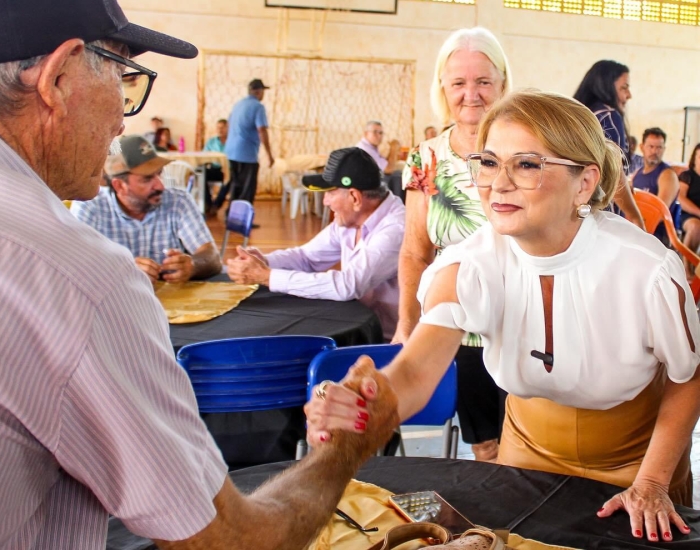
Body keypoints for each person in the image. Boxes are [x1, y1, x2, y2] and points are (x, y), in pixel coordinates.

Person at [0, 2, 402, 548]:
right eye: (122, 76)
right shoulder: (73, 276)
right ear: (59, 76)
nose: (122, 120)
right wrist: (343, 450)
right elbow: (228, 543)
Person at [306, 90, 700, 544]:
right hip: (524, 457)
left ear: (585, 183)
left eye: (527, 164)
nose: (498, 183)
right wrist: (371, 402)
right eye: (489, 163)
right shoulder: (472, 262)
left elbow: (687, 377)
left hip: (635, 464)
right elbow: (416, 368)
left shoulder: (645, 269)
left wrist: (651, 483)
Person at [395, 27, 512, 462]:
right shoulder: (425, 158)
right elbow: (414, 250)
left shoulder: (532, 147)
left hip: (530, 324)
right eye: (459, 82)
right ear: (442, 87)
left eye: (483, 81)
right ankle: (498, 529)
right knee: (486, 444)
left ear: (502, 83)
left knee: (534, 445)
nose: (472, 94)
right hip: (460, 327)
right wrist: (407, 322)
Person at [227, 147, 405, 340]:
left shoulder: (396, 228)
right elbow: (307, 258)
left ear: (354, 197)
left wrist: (266, 276)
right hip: (357, 325)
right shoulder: (351, 219)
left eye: (330, 193)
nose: (325, 201)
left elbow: (349, 285)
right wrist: (265, 262)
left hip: (389, 343)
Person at [71, 134, 222, 283]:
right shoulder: (90, 206)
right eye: (147, 179)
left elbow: (213, 258)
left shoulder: (178, 201)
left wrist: (194, 265)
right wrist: (122, 270)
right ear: (119, 186)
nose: (161, 185)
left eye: (159, 174)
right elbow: (72, 265)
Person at [573, 60, 645, 229]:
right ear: (606, 87)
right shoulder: (609, 117)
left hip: (577, 211)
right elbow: (614, 173)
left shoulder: (580, 116)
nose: (629, 95)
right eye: (624, 87)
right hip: (601, 214)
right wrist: (635, 216)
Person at [225, 78, 274, 218]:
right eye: (263, 91)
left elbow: (229, 124)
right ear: (258, 92)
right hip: (247, 154)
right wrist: (269, 155)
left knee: (236, 185)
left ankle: (231, 215)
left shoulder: (238, 104)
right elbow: (262, 130)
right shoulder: (258, 107)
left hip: (231, 152)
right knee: (247, 188)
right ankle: (242, 219)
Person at [631, 127, 681, 244]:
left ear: (664, 149)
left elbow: (658, 214)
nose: (654, 151)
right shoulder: (637, 174)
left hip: (657, 237)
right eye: (651, 146)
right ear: (642, 147)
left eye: (659, 147)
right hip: (639, 231)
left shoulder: (667, 175)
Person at [679, 143, 700, 273]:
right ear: (695, 158)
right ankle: (687, 270)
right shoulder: (688, 175)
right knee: (696, 226)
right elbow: (681, 198)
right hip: (687, 216)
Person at [204, 118, 229, 215]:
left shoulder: (232, 141)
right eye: (218, 128)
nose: (220, 130)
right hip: (215, 169)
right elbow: (204, 156)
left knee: (230, 178)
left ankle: (217, 204)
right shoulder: (211, 142)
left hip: (227, 170)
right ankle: (208, 203)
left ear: (228, 128)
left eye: (223, 127)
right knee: (202, 175)